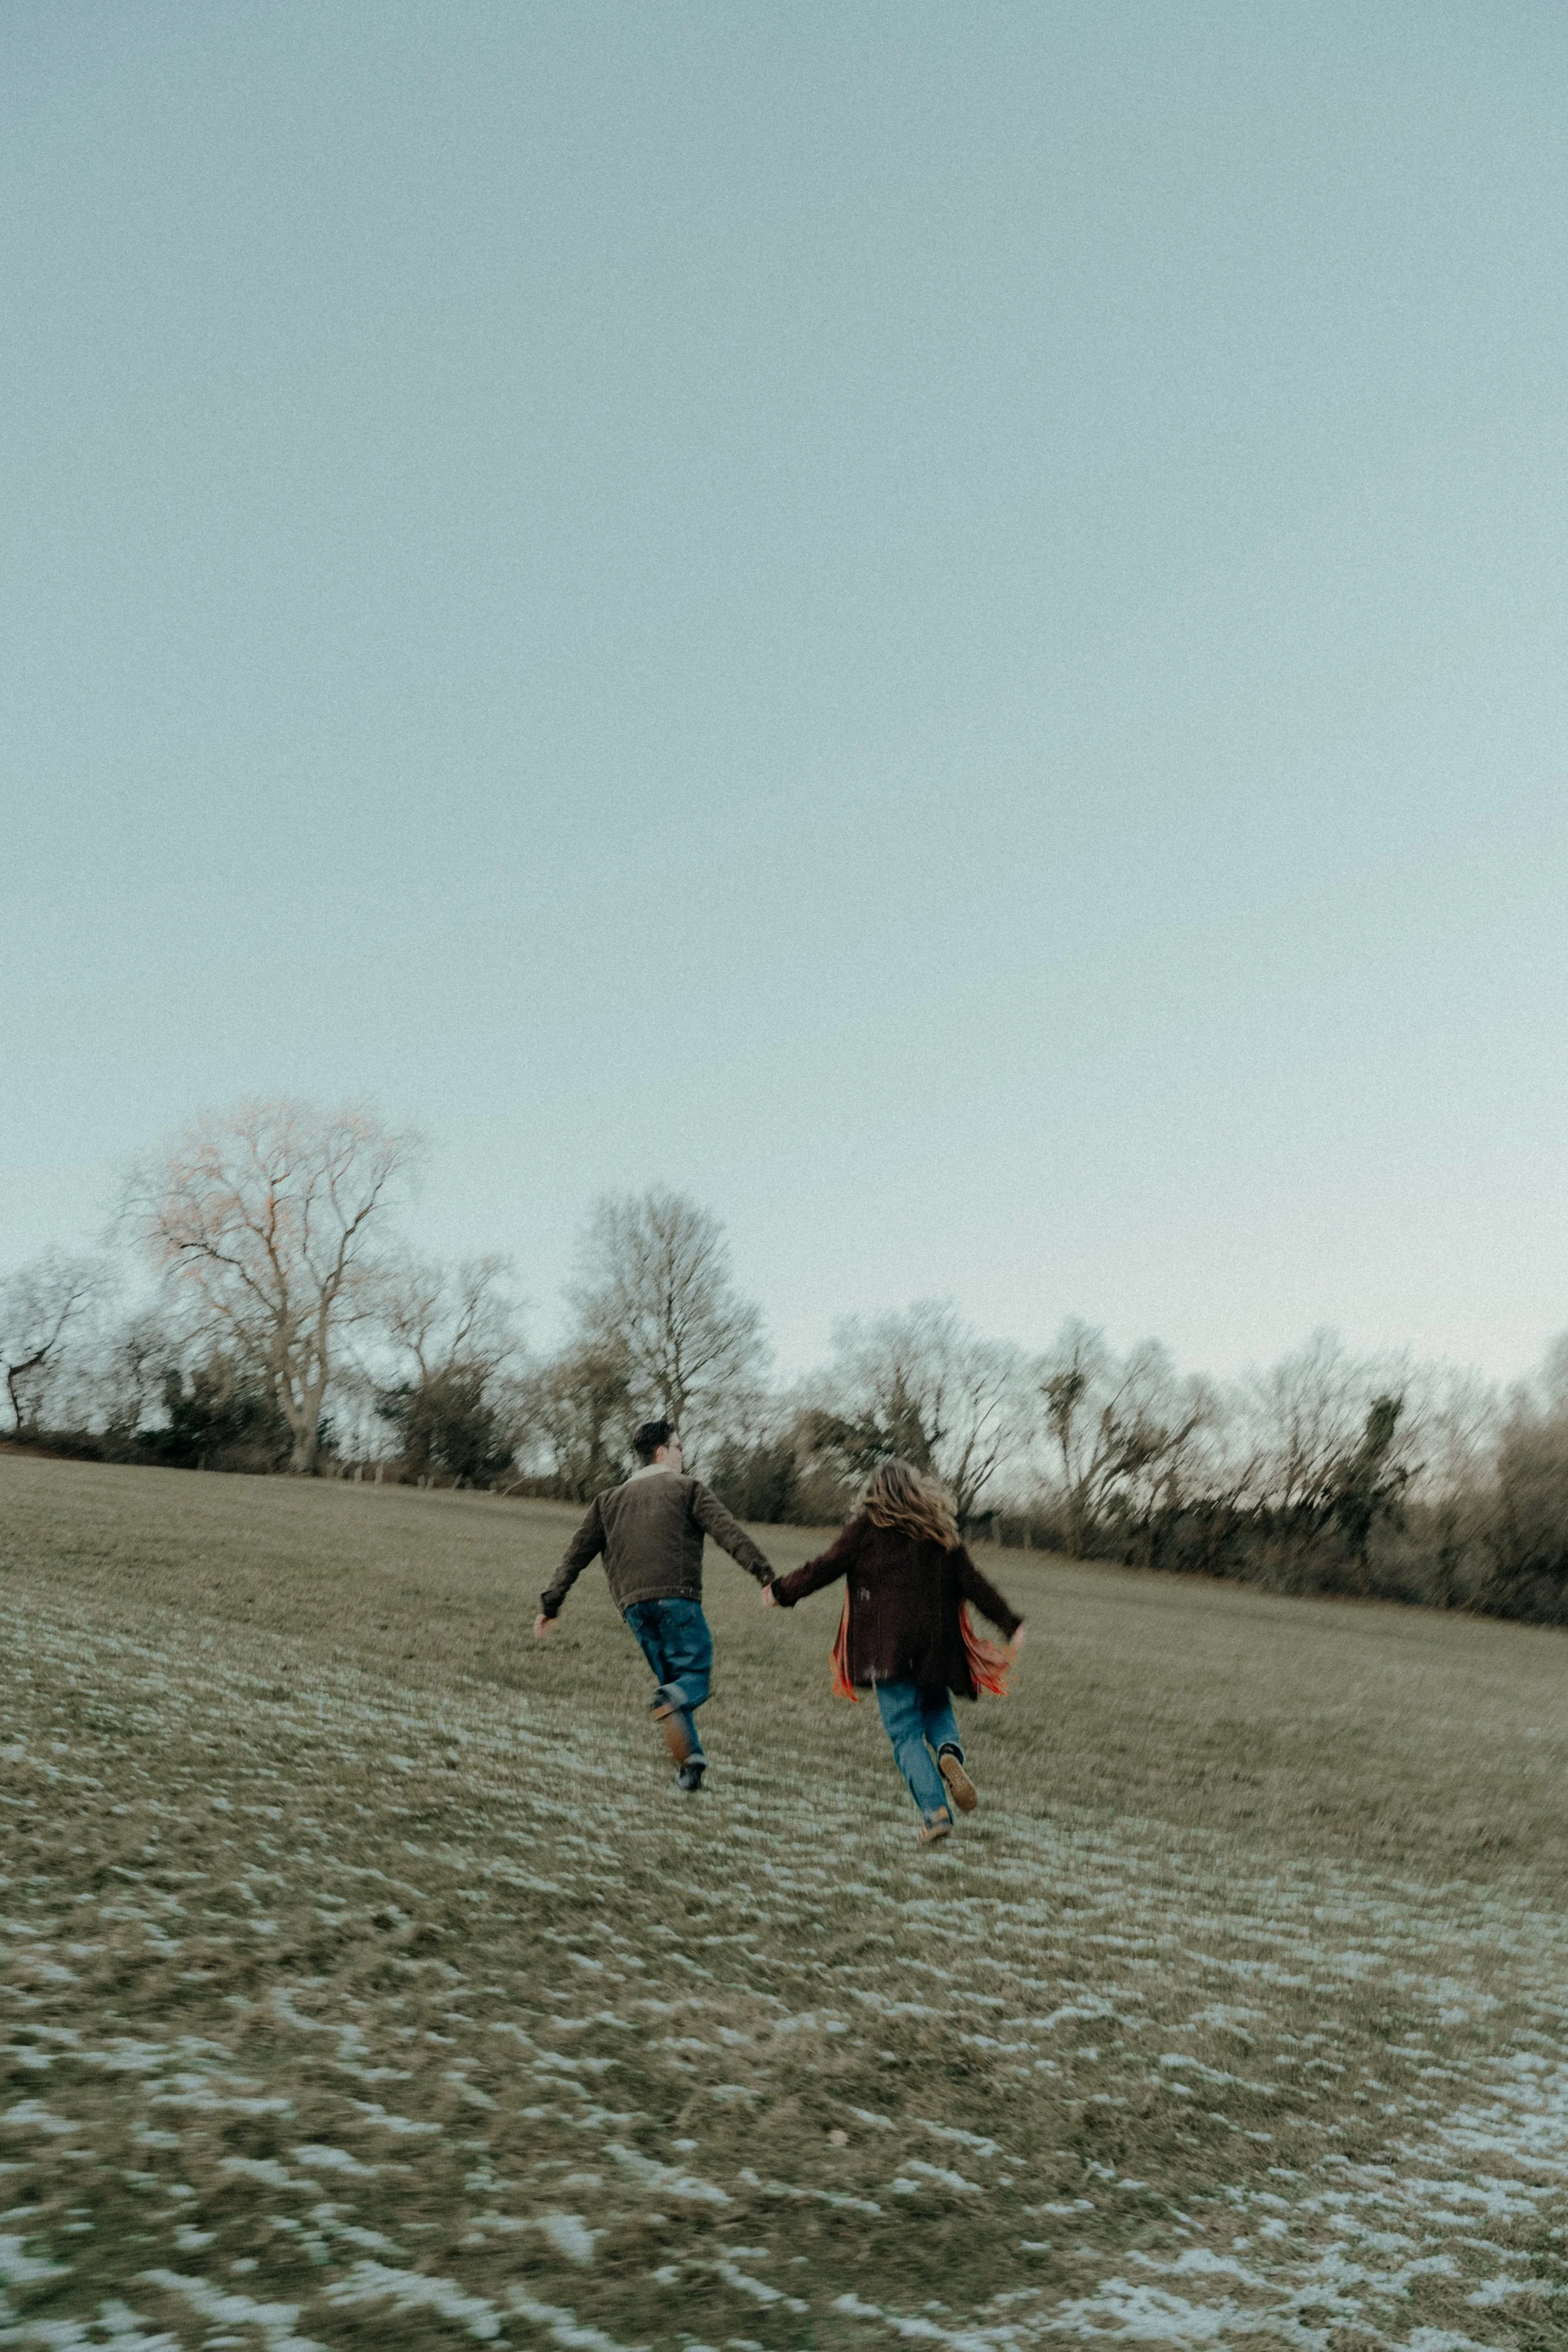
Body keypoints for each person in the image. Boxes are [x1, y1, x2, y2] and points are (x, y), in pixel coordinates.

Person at [765, 1459, 1024, 1843]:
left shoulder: (866, 1530)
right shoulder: (939, 1531)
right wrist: (1010, 1622)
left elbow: (823, 1567)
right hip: (936, 1645)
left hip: (886, 1648)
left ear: (873, 1493)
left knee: (905, 1733)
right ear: (918, 1491)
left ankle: (936, 1814)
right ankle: (949, 1752)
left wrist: (781, 1591)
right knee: (936, 1706)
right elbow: (974, 1583)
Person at [534, 1419, 776, 1793]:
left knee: (671, 1689)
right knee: (693, 1677)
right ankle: (687, 1757)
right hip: (676, 1598)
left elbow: (574, 1556)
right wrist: (765, 1575)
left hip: (633, 1608)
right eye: (680, 1448)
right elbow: (728, 1532)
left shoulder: (607, 1501)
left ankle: (689, 1768)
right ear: (662, 1452)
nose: (684, 1455)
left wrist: (551, 1604)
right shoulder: (688, 1488)